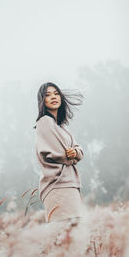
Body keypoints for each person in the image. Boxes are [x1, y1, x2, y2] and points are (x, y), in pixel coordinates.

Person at [33, 82, 85, 223]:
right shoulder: (44, 122)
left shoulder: (60, 127)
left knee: (75, 233)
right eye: (48, 95)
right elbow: (57, 153)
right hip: (57, 186)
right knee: (64, 235)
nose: (53, 97)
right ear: (42, 101)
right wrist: (72, 156)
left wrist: (75, 152)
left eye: (56, 93)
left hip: (70, 184)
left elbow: (78, 149)